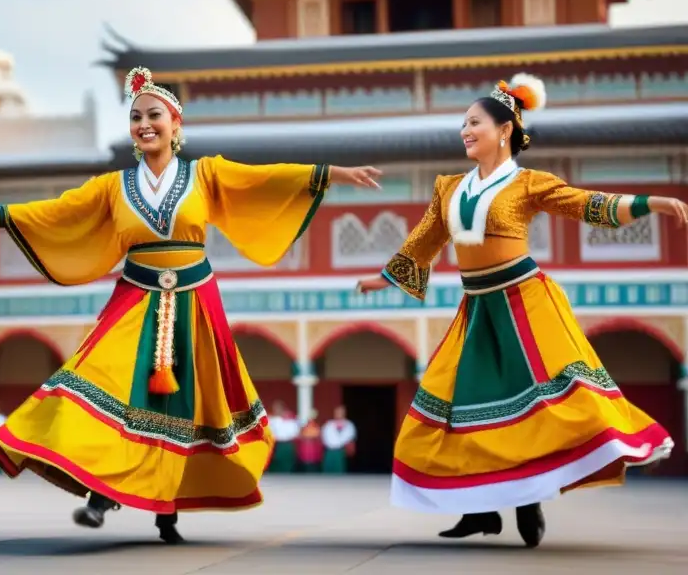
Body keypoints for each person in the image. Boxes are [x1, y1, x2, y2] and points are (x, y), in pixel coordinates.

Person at [0, 66, 383, 543]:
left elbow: (262, 180)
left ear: (176, 124)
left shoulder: (205, 174)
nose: (144, 124)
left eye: (154, 115)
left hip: (194, 304)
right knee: (103, 382)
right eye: (136, 117)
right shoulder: (111, 186)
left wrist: (330, 174)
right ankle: (102, 493)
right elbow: (61, 209)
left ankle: (168, 510)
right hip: (134, 299)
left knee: (186, 402)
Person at [357, 74, 684, 548]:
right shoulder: (449, 187)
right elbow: (425, 240)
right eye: (462, 124)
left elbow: (587, 206)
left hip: (524, 302)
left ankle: (531, 498)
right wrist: (384, 277)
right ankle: (480, 511)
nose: (464, 131)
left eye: (473, 122)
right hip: (477, 307)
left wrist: (649, 202)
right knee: (458, 407)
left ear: (504, 129)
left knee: (546, 404)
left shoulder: (529, 183)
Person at [321, 405, 357, 474]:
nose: (339, 414)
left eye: (341, 412)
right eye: (337, 412)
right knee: (327, 472)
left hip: (341, 452)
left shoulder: (349, 425)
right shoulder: (328, 425)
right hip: (329, 451)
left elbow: (351, 438)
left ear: (344, 413)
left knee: (339, 472)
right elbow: (323, 437)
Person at [266, 400, 300, 474]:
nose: (277, 410)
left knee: (287, 465)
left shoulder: (290, 420)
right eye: (275, 408)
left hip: (287, 444)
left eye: (279, 408)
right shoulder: (271, 420)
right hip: (275, 444)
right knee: (275, 465)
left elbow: (295, 432)